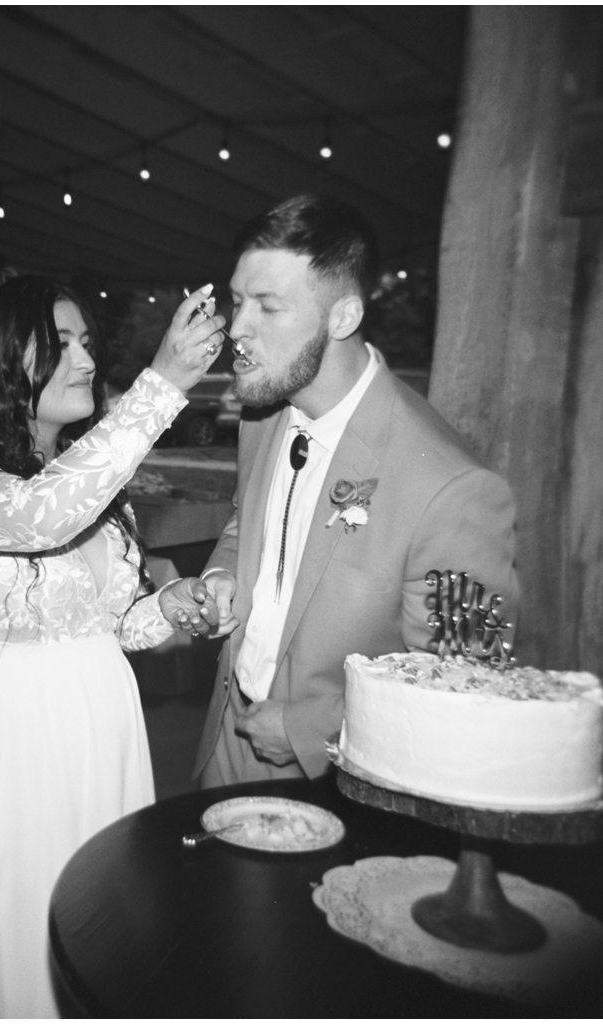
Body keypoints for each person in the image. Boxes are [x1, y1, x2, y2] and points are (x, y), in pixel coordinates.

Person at [0, 273, 227, 1018]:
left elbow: (116, 623)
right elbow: (36, 519)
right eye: (58, 343)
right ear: (1, 358)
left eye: (88, 342)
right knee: (8, 951)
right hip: (7, 740)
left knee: (95, 937)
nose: (87, 360)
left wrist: (174, 607)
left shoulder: (90, 480)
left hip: (101, 735)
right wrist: (160, 385)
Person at [192, 194, 519, 787]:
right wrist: (223, 576)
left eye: (268, 307)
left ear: (342, 317)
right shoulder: (263, 414)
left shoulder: (456, 490)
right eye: (237, 302)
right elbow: (247, 524)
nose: (236, 330)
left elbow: (466, 680)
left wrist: (308, 729)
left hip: (340, 779)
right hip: (226, 736)